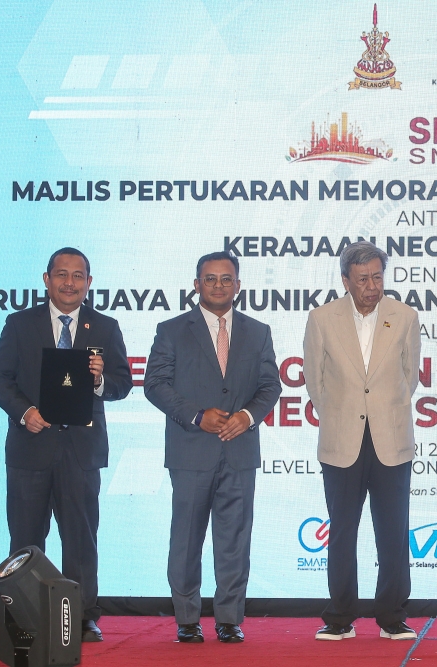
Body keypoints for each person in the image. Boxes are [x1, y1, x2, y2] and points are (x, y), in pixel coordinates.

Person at [0, 247, 132, 642]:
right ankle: (24, 615)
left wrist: (100, 381)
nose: (70, 283)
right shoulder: (19, 324)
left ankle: (84, 616)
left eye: (78, 275)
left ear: (89, 282)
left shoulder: (105, 327)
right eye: (62, 274)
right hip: (30, 447)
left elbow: (122, 384)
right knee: (25, 538)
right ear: (47, 279)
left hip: (81, 451)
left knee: (81, 537)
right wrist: (24, 412)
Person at [145, 251, 281, 643]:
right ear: (196, 285)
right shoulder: (171, 330)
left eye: (226, 279)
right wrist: (195, 415)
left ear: (238, 285)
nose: (219, 285)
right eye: (210, 279)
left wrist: (248, 416)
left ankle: (229, 618)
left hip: (239, 451)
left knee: (234, 538)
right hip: (190, 450)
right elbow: (154, 384)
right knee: (186, 539)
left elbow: (270, 386)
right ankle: (187, 618)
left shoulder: (258, 331)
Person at [303, 241, 421, 641]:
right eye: (363, 279)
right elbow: (314, 382)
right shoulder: (322, 319)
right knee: (342, 531)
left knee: (393, 530)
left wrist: (383, 411)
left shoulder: (404, 316)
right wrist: (340, 412)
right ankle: (339, 616)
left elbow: (411, 376)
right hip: (342, 439)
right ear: (345, 281)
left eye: (377, 276)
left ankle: (392, 615)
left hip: (391, 438)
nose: (372, 286)